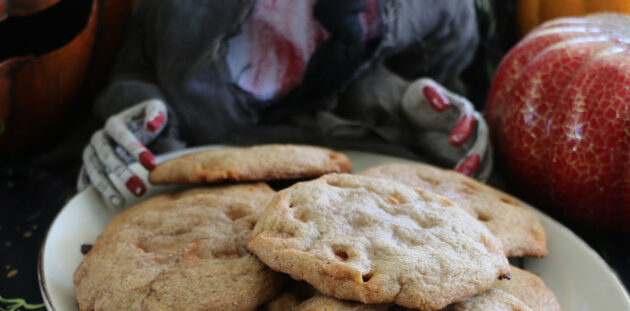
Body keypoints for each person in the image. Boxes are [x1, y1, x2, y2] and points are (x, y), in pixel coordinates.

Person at [79, 0, 491, 207]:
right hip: (195, 182)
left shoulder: (440, 10)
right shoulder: (183, 13)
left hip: (360, 188)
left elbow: (441, 74)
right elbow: (134, 68)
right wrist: (136, 126)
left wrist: (422, 125)